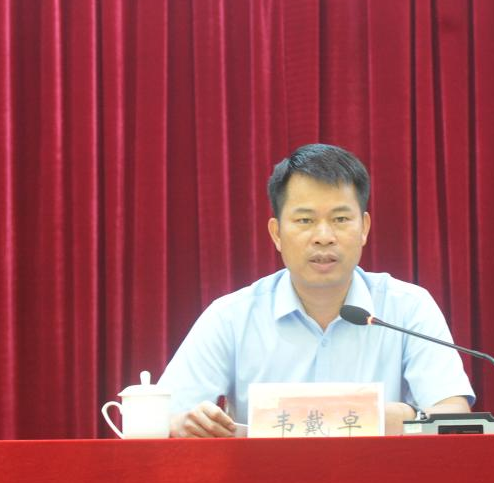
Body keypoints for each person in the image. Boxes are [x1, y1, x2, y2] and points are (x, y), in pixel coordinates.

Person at [160, 143, 474, 437]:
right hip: (263, 477)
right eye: (305, 220)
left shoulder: (407, 307)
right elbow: (165, 418)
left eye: (340, 219)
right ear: (276, 233)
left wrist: (407, 417)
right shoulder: (231, 316)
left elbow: (454, 414)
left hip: (380, 476)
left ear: (364, 228)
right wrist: (184, 423)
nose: (324, 236)